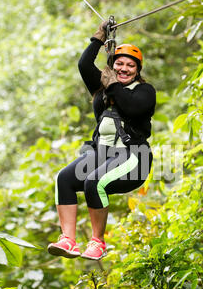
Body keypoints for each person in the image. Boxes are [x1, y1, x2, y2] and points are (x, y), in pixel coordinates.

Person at [47, 21, 156, 261]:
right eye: (119, 63)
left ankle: (98, 242)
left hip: (134, 157)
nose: (124, 68)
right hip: (102, 154)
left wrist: (113, 83)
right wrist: (98, 38)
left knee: (94, 182)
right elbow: (84, 64)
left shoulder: (145, 92)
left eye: (130, 65)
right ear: (112, 64)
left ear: (137, 70)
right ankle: (68, 240)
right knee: (63, 179)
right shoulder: (103, 87)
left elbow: (130, 106)